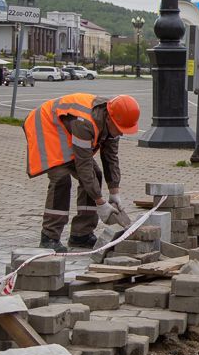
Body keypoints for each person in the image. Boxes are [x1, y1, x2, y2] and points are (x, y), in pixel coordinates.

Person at [23, 92, 139, 251]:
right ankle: (49, 237)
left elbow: (110, 158)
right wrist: (100, 202)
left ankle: (81, 234)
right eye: (119, 129)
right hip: (47, 126)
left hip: (66, 129)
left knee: (95, 175)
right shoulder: (85, 123)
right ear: (109, 118)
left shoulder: (115, 119)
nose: (121, 132)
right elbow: (83, 165)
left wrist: (114, 192)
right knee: (62, 179)